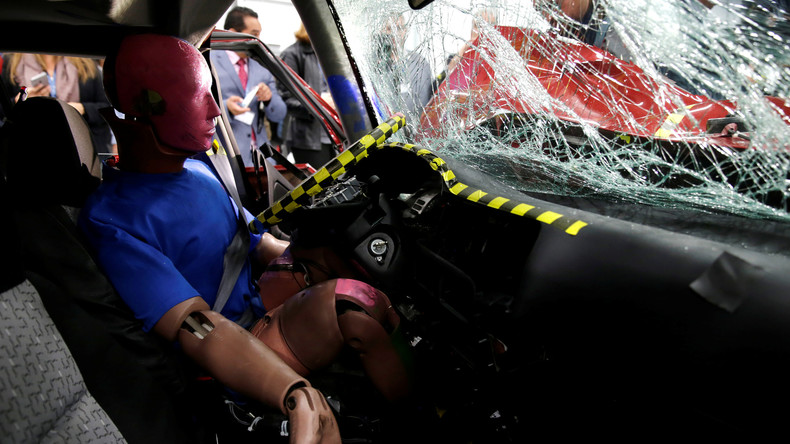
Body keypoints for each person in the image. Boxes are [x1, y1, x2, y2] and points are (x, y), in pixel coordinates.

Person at [79, 33, 411, 441]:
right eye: (199, 95)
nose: (216, 109)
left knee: (340, 258)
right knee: (354, 304)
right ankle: (420, 422)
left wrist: (313, 258)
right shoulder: (112, 217)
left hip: (256, 300)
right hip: (227, 346)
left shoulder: (198, 168)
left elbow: (254, 244)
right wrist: (293, 390)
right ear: (150, 106)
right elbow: (195, 325)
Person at [211, 6, 287, 167]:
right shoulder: (209, 62)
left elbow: (279, 114)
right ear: (232, 33)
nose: (258, 40)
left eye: (259, 34)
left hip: (261, 158)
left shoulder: (261, 67)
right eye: (254, 34)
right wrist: (226, 107)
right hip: (226, 155)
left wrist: (269, 99)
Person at [3, 53, 113, 155]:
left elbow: (106, 107)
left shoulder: (85, 64)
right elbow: (3, 111)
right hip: (30, 147)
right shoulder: (13, 63)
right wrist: (19, 102)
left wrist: (81, 109)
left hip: (77, 149)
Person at [278, 22, 337, 168]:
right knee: (320, 187)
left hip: (335, 134)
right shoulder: (292, 54)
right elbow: (285, 98)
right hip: (308, 137)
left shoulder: (329, 53)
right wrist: (319, 106)